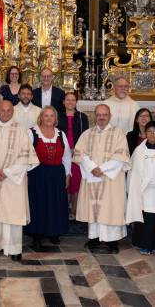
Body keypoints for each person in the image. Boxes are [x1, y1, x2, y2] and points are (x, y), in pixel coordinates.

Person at [0, 100, 39, 261]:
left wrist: (7, 172)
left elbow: (25, 157)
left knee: (13, 214)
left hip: (13, 180)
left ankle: (15, 249)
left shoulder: (21, 131)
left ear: (13, 112)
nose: (5, 113)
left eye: (8, 111)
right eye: (2, 110)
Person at [73, 104, 131, 254]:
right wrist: (92, 167)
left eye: (104, 114)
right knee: (94, 209)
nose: (101, 117)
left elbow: (121, 156)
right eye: (98, 114)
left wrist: (102, 169)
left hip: (110, 179)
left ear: (110, 116)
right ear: (95, 116)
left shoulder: (118, 133)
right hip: (92, 177)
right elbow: (80, 153)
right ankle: (95, 238)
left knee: (110, 208)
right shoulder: (87, 134)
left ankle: (112, 241)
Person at [25, 106, 72, 250]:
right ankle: (37, 236)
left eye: (52, 116)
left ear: (55, 118)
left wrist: (67, 174)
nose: (49, 118)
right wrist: (26, 173)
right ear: (41, 117)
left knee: (55, 203)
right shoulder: (31, 132)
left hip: (57, 174)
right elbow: (26, 154)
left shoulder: (61, 134)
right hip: (38, 173)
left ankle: (54, 232)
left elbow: (67, 155)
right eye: (46, 115)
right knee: (38, 204)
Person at [126, 121, 155, 257]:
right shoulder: (139, 151)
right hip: (144, 191)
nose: (152, 134)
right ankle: (145, 245)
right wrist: (146, 181)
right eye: (149, 131)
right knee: (146, 218)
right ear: (145, 133)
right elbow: (134, 171)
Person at [57, 92, 89, 220]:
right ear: (64, 102)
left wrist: (76, 149)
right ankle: (64, 210)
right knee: (64, 182)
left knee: (76, 182)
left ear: (76, 102)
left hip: (77, 153)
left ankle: (75, 210)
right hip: (61, 154)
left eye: (73, 100)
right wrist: (64, 150)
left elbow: (86, 135)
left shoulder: (82, 117)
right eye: (68, 100)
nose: (70, 102)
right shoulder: (58, 117)